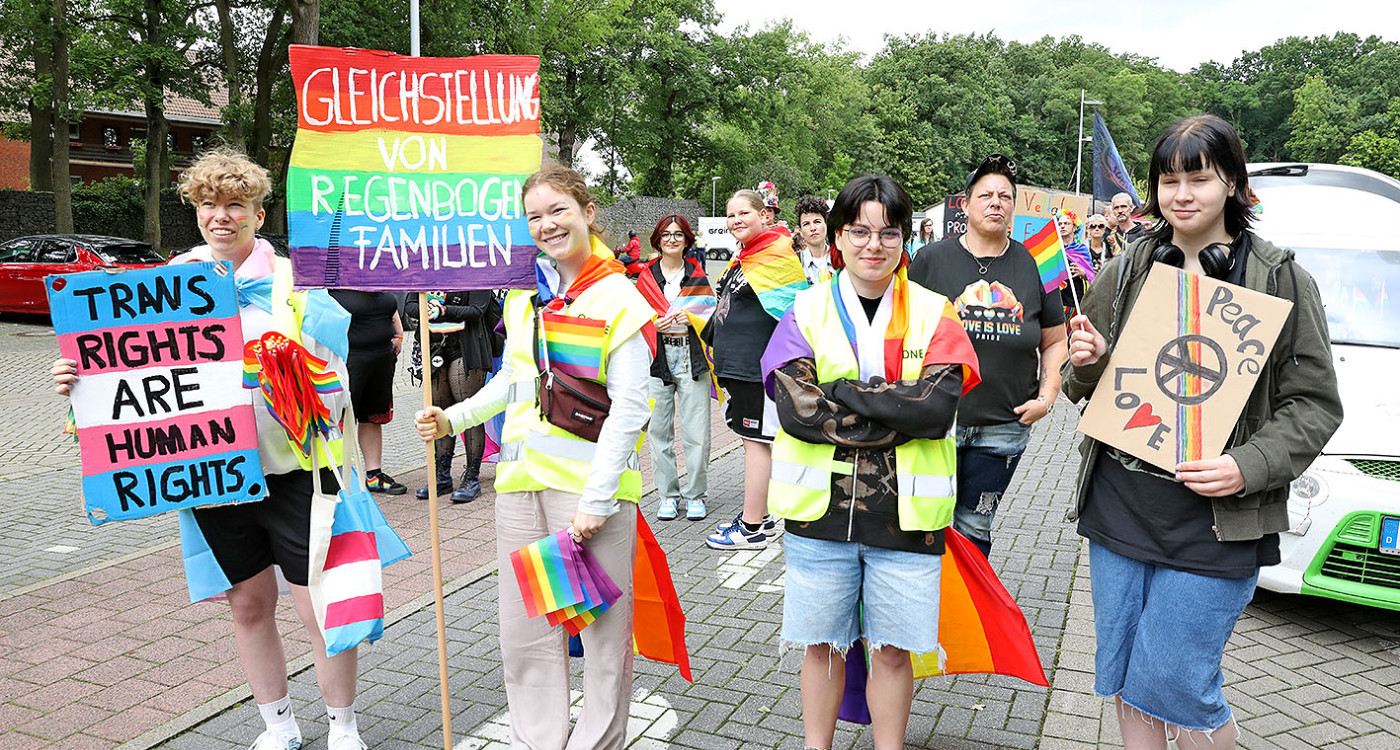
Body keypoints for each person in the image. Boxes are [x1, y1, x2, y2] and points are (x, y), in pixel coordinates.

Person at [52, 148, 369, 750]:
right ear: (195, 211)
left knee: (320, 609)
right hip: (212, 471)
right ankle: (278, 726)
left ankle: (342, 727)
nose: (220, 217)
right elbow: (131, 379)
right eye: (208, 205)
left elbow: (337, 382)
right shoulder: (166, 283)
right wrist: (79, 383)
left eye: (234, 206)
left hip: (294, 470)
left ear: (257, 211)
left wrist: (278, 375)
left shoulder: (294, 282)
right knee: (248, 603)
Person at [1064, 114, 1341, 750]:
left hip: (1216, 522)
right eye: (1168, 180)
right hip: (1121, 506)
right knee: (1127, 679)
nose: (1181, 194)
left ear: (1234, 185)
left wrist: (1249, 463)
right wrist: (1090, 361)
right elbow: (1090, 384)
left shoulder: (1281, 278)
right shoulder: (1132, 266)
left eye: (1199, 178)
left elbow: (1315, 404)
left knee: (1177, 685)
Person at [415, 163, 654, 750]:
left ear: (588, 212)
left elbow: (631, 408)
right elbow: (512, 379)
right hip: (520, 487)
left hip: (587, 498)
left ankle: (600, 743)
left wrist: (596, 500)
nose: (547, 225)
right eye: (535, 217)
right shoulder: (528, 293)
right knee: (526, 635)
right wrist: (454, 417)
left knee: (600, 637)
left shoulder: (617, 294)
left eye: (558, 211)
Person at [762, 174, 980, 750]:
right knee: (823, 645)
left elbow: (934, 411)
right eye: (859, 230)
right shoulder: (804, 309)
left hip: (907, 518)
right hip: (819, 514)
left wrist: (844, 390)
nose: (873, 245)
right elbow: (798, 412)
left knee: (891, 651)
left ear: (905, 239)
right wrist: (893, 402)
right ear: (838, 236)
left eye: (888, 232)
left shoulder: (937, 313)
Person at [908, 153, 1068, 558]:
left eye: (1004, 196)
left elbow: (1054, 340)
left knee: (975, 526)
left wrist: (1047, 399)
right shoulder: (930, 260)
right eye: (985, 195)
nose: (995, 202)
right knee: (923, 520)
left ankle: (969, 618)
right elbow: (902, 332)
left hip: (1004, 426)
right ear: (965, 204)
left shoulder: (1037, 263)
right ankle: (923, 613)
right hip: (935, 421)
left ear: (1013, 206)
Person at [704, 188, 809, 550]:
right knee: (753, 441)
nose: (736, 220)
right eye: (731, 215)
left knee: (757, 443)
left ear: (764, 216)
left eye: (744, 213)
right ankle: (758, 516)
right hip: (736, 367)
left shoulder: (777, 254)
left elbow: (792, 314)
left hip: (757, 367)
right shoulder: (744, 257)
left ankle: (752, 528)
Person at [636, 214, 715, 522]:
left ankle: (696, 494)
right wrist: (655, 324)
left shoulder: (698, 275)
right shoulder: (644, 278)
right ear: (657, 240)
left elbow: (710, 319)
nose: (671, 239)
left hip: (691, 357)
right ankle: (668, 494)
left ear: (687, 241)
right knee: (659, 430)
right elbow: (636, 321)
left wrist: (690, 319)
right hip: (656, 359)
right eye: (666, 235)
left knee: (696, 430)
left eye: (678, 235)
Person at [404, 290, 499, 503]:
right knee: (439, 410)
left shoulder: (474, 270)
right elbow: (409, 305)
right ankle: (441, 477)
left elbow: (477, 310)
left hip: (466, 346)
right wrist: (426, 309)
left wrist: (441, 310)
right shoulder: (427, 271)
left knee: (470, 409)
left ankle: (472, 478)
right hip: (434, 347)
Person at [328, 289, 407, 495]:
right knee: (342, 419)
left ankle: (374, 476)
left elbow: (391, 309)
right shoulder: (334, 285)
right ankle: (341, 476)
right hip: (351, 360)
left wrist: (398, 333)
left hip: (382, 358)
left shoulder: (375, 276)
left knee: (372, 416)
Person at [795, 195, 833, 284]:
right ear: (800, 231)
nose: (813, 228)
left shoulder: (842, 259)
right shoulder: (796, 263)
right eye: (806, 224)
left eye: (817, 222)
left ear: (826, 224)